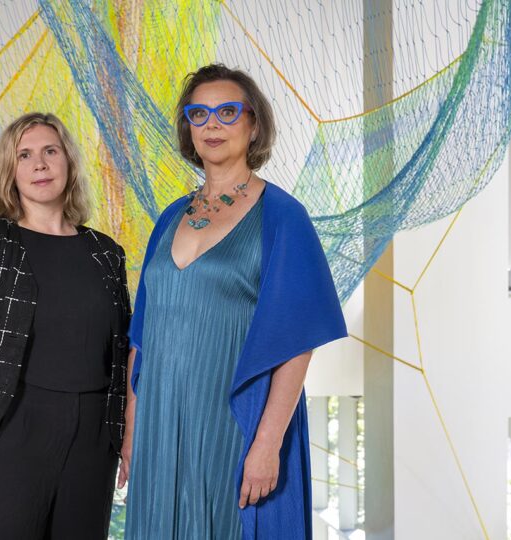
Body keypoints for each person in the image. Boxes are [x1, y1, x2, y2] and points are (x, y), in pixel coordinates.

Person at [119, 64, 348, 539]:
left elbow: (296, 343)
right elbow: (140, 341)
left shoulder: (283, 216)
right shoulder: (168, 218)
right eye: (198, 114)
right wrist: (131, 432)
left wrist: (268, 443)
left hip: (234, 421)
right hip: (161, 424)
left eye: (227, 111)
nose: (212, 125)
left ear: (254, 124)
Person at [0, 112, 130, 539]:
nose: (40, 164)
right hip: (4, 430)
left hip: (92, 440)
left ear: (68, 163)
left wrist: (123, 436)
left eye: (50, 151)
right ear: (10, 171)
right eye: (25, 155)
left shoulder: (106, 254)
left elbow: (123, 354)